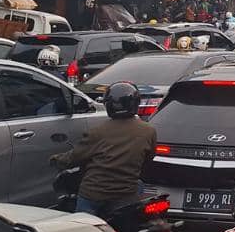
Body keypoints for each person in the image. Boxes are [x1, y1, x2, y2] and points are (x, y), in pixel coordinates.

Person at [50, 82, 158, 215]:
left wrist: (56, 160)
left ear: (109, 105)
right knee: (139, 185)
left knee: (83, 228)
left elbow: (74, 157)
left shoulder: (97, 132)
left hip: (94, 194)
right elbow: (148, 159)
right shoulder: (148, 131)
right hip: (127, 193)